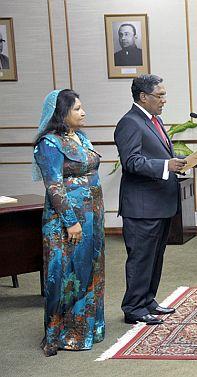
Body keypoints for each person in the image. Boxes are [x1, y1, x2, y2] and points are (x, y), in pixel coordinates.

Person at [32, 89, 105, 356]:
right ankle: (61, 334)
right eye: (76, 109)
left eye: (82, 108)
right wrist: (71, 222)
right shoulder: (49, 144)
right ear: (61, 113)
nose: (83, 112)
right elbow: (54, 186)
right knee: (65, 274)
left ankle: (88, 329)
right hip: (66, 221)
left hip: (92, 217)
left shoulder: (82, 137)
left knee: (90, 270)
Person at [114, 74, 187, 325]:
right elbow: (132, 161)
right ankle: (133, 307)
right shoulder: (130, 123)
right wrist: (166, 164)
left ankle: (147, 300)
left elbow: (156, 154)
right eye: (160, 95)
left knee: (155, 256)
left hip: (159, 205)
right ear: (143, 97)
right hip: (141, 207)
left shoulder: (154, 120)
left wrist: (177, 162)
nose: (164, 100)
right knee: (141, 257)